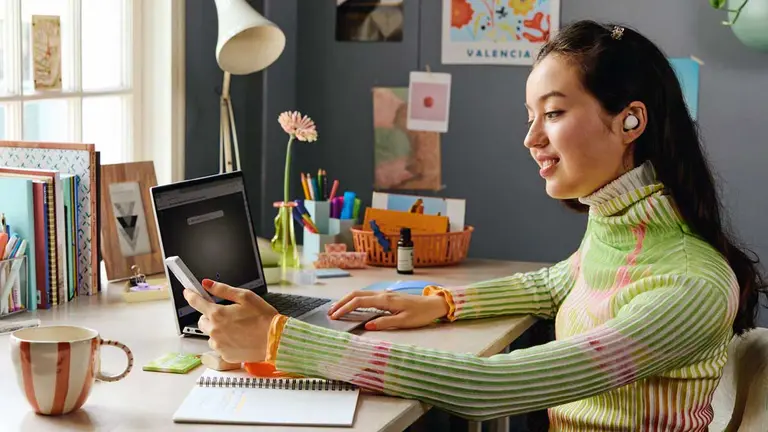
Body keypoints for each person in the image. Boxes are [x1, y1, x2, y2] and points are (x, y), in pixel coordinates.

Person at [184, 20, 766, 430]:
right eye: (531, 115)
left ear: (631, 120)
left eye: (555, 113)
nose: (531, 138)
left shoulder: (689, 285)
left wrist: (284, 339)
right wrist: (439, 301)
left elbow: (496, 389)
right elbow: (558, 283)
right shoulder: (622, 229)